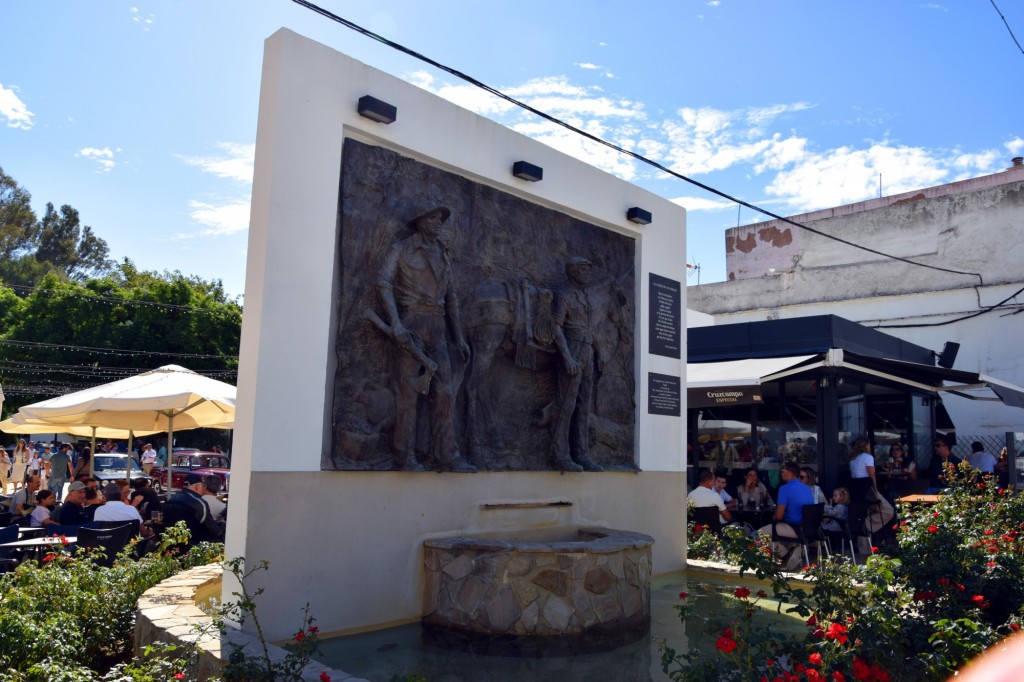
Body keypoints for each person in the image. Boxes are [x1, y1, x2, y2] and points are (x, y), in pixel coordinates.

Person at [376, 204, 476, 473]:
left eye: (441, 218)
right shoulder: (403, 248)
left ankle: (447, 455)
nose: (439, 221)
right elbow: (383, 282)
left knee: (444, 391)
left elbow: (451, 297)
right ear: (421, 222)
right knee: (408, 392)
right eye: (434, 217)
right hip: (411, 324)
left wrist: (459, 337)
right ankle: (404, 456)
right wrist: (396, 323)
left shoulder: (443, 254)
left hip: (438, 329)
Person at [548, 257, 604, 472]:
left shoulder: (584, 295)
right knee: (566, 405)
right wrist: (568, 358)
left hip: (587, 350)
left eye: (588, 269)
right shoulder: (563, 294)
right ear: (571, 271)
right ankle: (559, 455)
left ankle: (581, 454)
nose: (587, 272)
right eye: (582, 269)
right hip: (573, 348)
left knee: (583, 406)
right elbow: (555, 327)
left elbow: (590, 328)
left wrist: (597, 353)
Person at [759, 462, 815, 571]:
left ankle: (785, 553)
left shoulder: (784, 489)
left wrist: (774, 518)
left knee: (761, 532)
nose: (781, 473)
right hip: (809, 528)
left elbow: (779, 516)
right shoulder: (807, 488)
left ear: (789, 473)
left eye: (782, 471)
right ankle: (794, 549)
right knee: (779, 526)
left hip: (795, 528)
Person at [162, 473, 224, 546]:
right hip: (194, 546)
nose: (205, 488)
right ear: (197, 486)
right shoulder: (199, 503)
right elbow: (214, 531)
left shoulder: (172, 499)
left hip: (170, 543)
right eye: (203, 485)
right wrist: (222, 524)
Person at [848, 437, 878, 501]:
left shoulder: (853, 458)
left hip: (856, 490)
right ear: (866, 446)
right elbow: (871, 476)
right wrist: (876, 491)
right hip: (867, 490)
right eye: (869, 445)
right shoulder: (868, 457)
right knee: (889, 509)